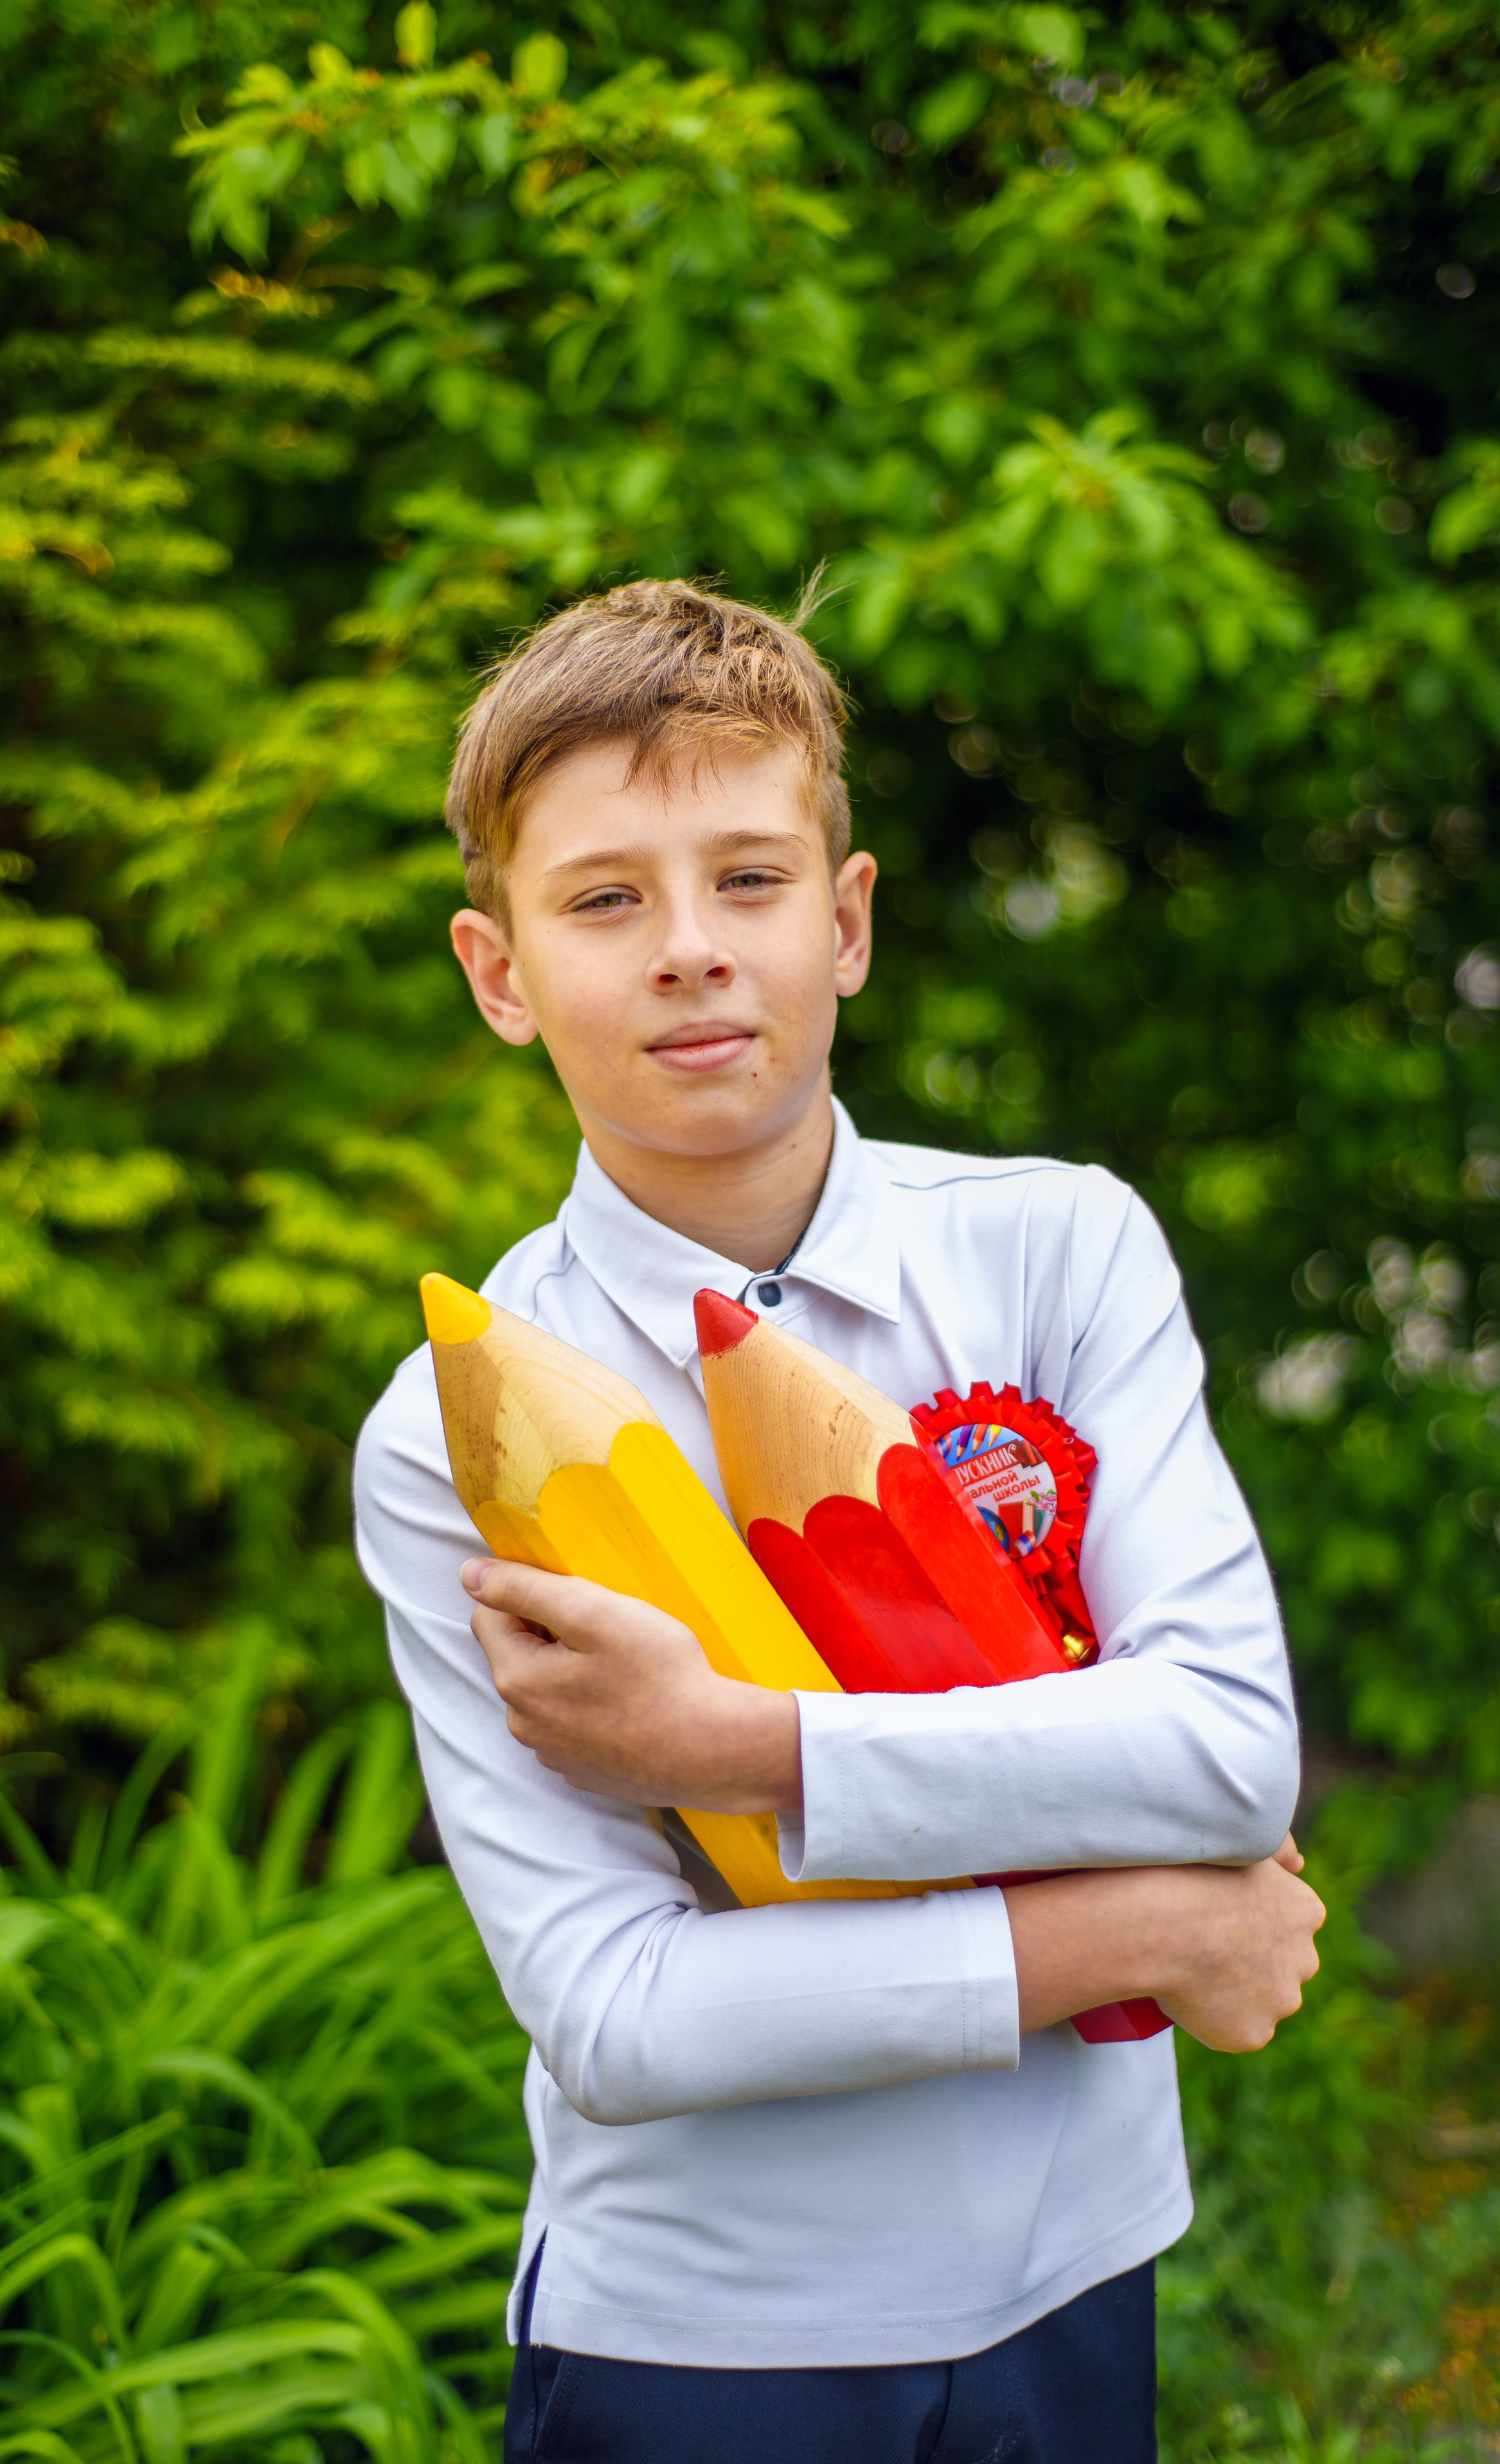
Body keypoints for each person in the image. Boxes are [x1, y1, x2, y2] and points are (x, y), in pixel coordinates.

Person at [353, 579, 1325, 2464]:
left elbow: (1227, 1748)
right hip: (711, 2334)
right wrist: (1142, 1921)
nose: (691, 950)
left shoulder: (1057, 1245)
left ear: (851, 919)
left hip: (1076, 2276)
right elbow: (625, 2012)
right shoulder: (458, 1423)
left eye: (751, 878)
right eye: (605, 898)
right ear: (498, 969)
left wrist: (739, 1746)